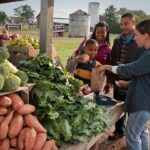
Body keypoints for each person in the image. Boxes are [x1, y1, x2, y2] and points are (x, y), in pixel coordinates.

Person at [98, 19, 150, 150]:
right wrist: (128, 83)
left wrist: (108, 67)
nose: (135, 37)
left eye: (137, 35)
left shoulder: (148, 55)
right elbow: (144, 76)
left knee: (131, 134)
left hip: (142, 102)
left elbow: (130, 69)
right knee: (141, 131)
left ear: (146, 36)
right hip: (144, 101)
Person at [107, 12, 144, 140]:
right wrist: (111, 78)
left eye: (126, 23)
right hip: (118, 79)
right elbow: (113, 59)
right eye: (121, 24)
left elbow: (140, 65)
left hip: (133, 81)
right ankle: (119, 130)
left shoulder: (141, 41)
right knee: (119, 107)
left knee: (132, 109)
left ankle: (132, 133)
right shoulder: (117, 40)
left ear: (134, 23)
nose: (123, 27)